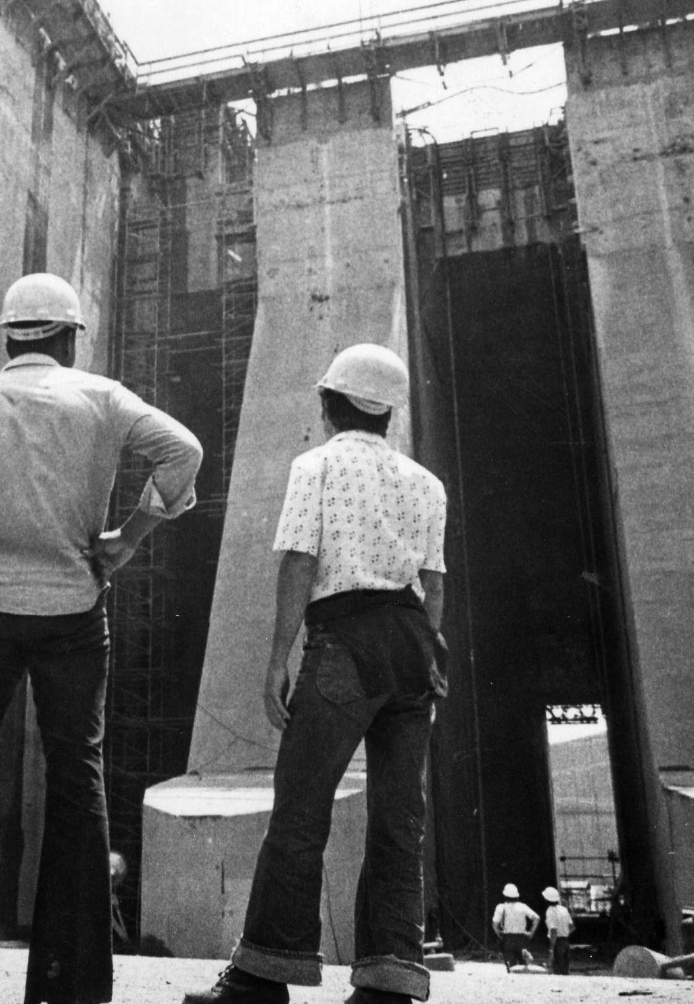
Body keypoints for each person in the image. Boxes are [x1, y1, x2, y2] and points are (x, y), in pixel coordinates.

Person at [0, 272, 202, 1004]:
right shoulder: (104, 397)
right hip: (71, 612)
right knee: (76, 777)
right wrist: (128, 536)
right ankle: (71, 981)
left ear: (8, 336)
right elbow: (182, 450)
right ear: (67, 336)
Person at [183, 344, 448, 1004]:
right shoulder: (425, 482)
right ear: (386, 410)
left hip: (344, 641)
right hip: (412, 644)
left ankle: (263, 974)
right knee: (399, 817)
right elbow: (434, 584)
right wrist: (428, 658)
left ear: (329, 404)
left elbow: (299, 560)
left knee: (301, 808)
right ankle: (389, 979)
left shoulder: (318, 465)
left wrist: (279, 657)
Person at [491, 884, 539, 972]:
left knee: (511, 966)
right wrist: (531, 933)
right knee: (524, 966)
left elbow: (495, 924)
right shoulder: (522, 906)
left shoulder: (501, 907)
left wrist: (499, 934)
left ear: (505, 895)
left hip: (508, 939)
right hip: (522, 939)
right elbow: (536, 918)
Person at [542, 886, 573, 975]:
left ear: (546, 899)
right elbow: (572, 927)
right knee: (565, 971)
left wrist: (551, 949)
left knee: (558, 971)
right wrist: (564, 934)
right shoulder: (564, 909)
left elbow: (553, 931)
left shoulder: (550, 911)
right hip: (566, 942)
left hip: (557, 944)